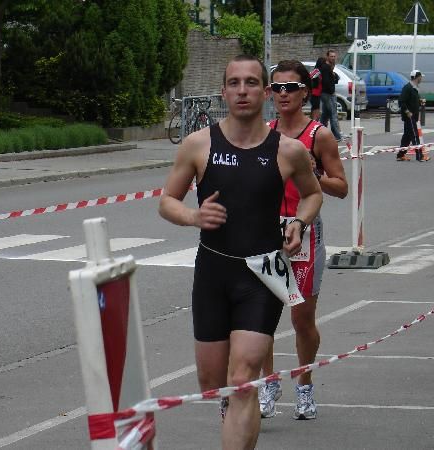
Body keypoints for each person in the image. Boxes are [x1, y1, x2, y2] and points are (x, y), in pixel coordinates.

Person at [158, 54, 323, 450]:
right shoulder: (199, 144)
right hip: (213, 272)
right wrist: (194, 216)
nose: (243, 90)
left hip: (263, 273)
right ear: (224, 91)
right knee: (213, 383)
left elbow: (313, 194)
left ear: (265, 93)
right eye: (235, 82)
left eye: (251, 82)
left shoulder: (288, 150)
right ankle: (235, 416)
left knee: (244, 376)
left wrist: (298, 223)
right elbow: (167, 201)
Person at [258, 60, 348, 420]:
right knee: (260, 318)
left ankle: (305, 384)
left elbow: (340, 186)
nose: (282, 95)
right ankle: (268, 384)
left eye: (290, 88)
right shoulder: (262, 132)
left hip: (305, 230)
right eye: (276, 88)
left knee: (302, 319)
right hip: (264, 232)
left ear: (304, 91)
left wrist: (312, 173)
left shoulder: (318, 135)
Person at [396, 69, 430, 162]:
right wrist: (407, 112)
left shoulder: (414, 88)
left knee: (407, 137)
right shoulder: (407, 88)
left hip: (413, 116)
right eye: (420, 77)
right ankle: (420, 156)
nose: (421, 79)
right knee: (415, 136)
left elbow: (411, 101)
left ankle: (400, 155)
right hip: (409, 117)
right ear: (417, 77)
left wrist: (420, 101)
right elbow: (401, 101)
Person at [319, 49, 342, 141]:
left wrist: (334, 77)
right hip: (328, 94)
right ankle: (337, 136)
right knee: (333, 114)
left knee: (325, 115)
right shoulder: (326, 67)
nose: (333, 58)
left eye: (334, 56)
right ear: (327, 57)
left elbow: (331, 79)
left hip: (326, 93)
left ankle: (321, 134)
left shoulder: (330, 66)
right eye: (331, 56)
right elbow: (326, 81)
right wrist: (331, 91)